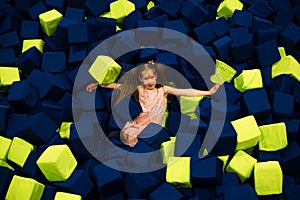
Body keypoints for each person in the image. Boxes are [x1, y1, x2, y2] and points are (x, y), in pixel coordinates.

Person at [86, 61, 220, 147]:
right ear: (141, 79)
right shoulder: (139, 89)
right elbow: (118, 86)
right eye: (146, 78)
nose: (149, 81)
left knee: (143, 140)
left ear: (156, 76)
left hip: (154, 124)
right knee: (127, 136)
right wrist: (99, 85)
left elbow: (185, 91)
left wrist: (208, 92)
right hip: (140, 120)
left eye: (152, 77)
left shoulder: (163, 89)